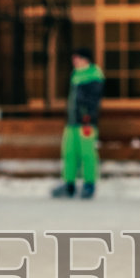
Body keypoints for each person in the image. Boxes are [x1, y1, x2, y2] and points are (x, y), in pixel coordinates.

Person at [52, 47, 104, 200]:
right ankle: (69, 184)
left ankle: (89, 184)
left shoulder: (94, 76)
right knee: (69, 153)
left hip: (86, 123)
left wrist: (87, 116)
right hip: (72, 123)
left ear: (85, 59)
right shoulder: (75, 76)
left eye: (77, 58)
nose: (74, 61)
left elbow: (93, 101)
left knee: (87, 154)